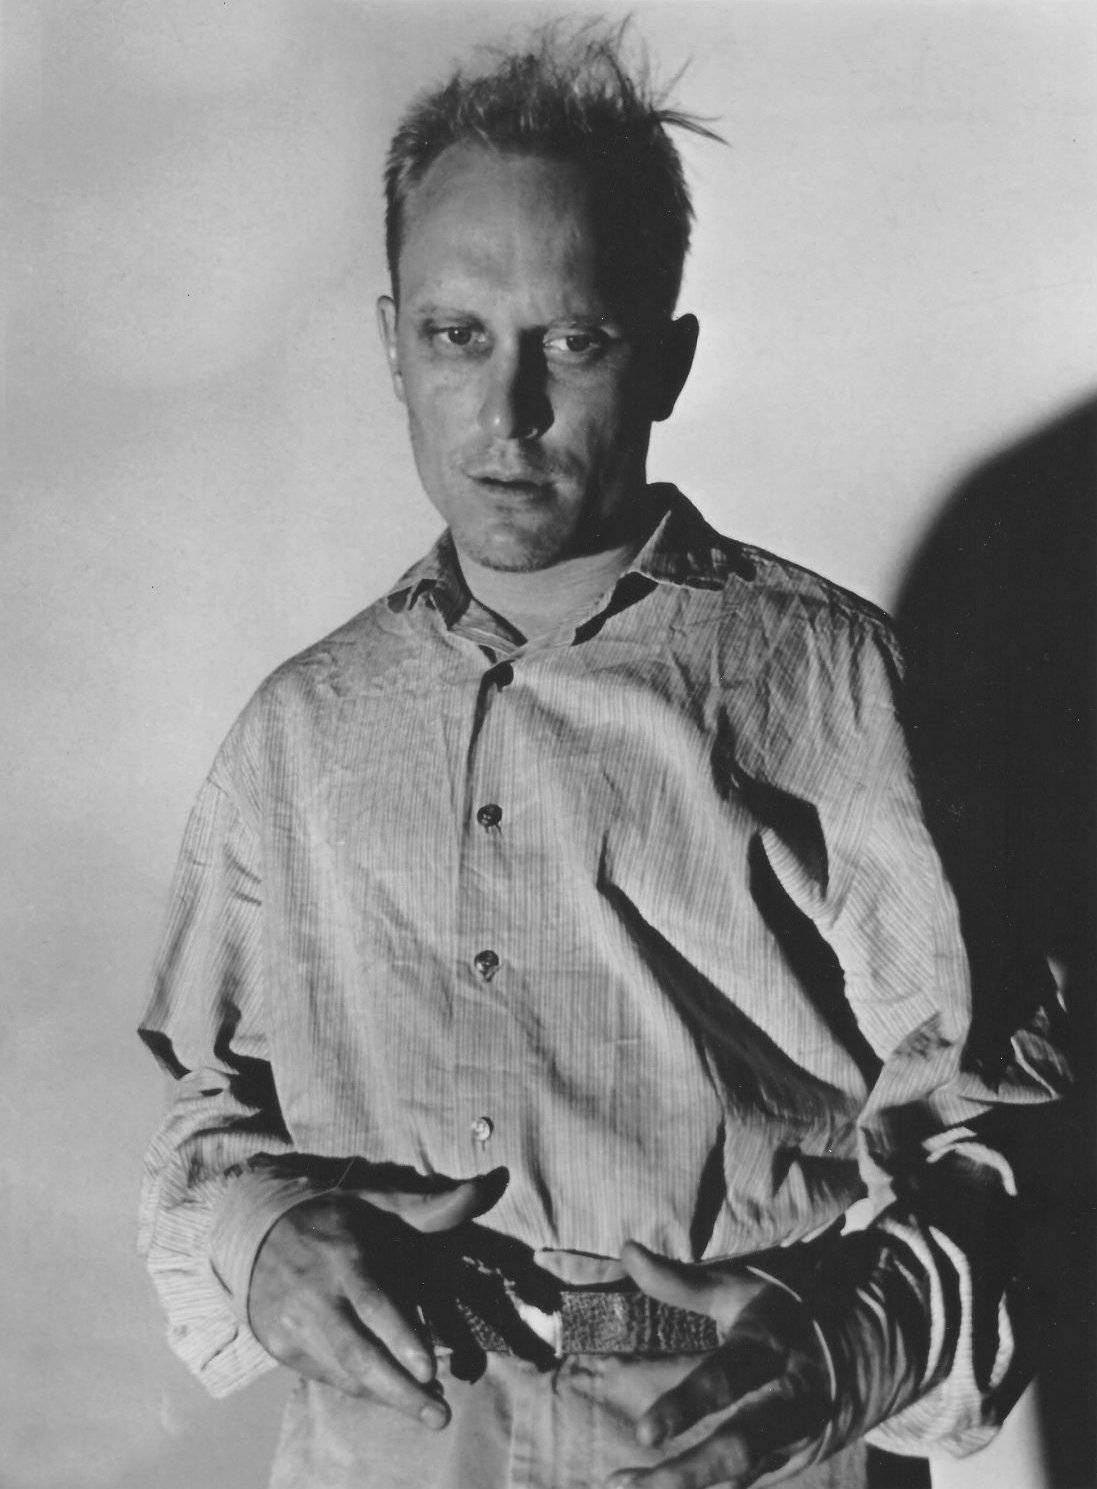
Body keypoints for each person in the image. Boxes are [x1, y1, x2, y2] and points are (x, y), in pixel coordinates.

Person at [138, 24, 1067, 1489]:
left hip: (733, 1423)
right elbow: (205, 1108)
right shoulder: (300, 729)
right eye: (456, 336)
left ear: (668, 361)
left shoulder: (834, 684)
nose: (508, 411)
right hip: (396, 1435)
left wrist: (851, 1346)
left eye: (571, 342)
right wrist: (258, 1240)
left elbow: (1006, 1118)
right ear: (392, 344)